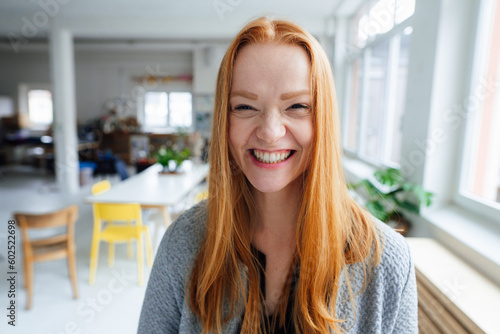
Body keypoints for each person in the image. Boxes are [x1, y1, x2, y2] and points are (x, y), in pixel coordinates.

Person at [138, 17, 418, 334]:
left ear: (322, 119)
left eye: (297, 106)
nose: (270, 133)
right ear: (223, 122)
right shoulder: (182, 245)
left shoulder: (386, 260)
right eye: (244, 107)